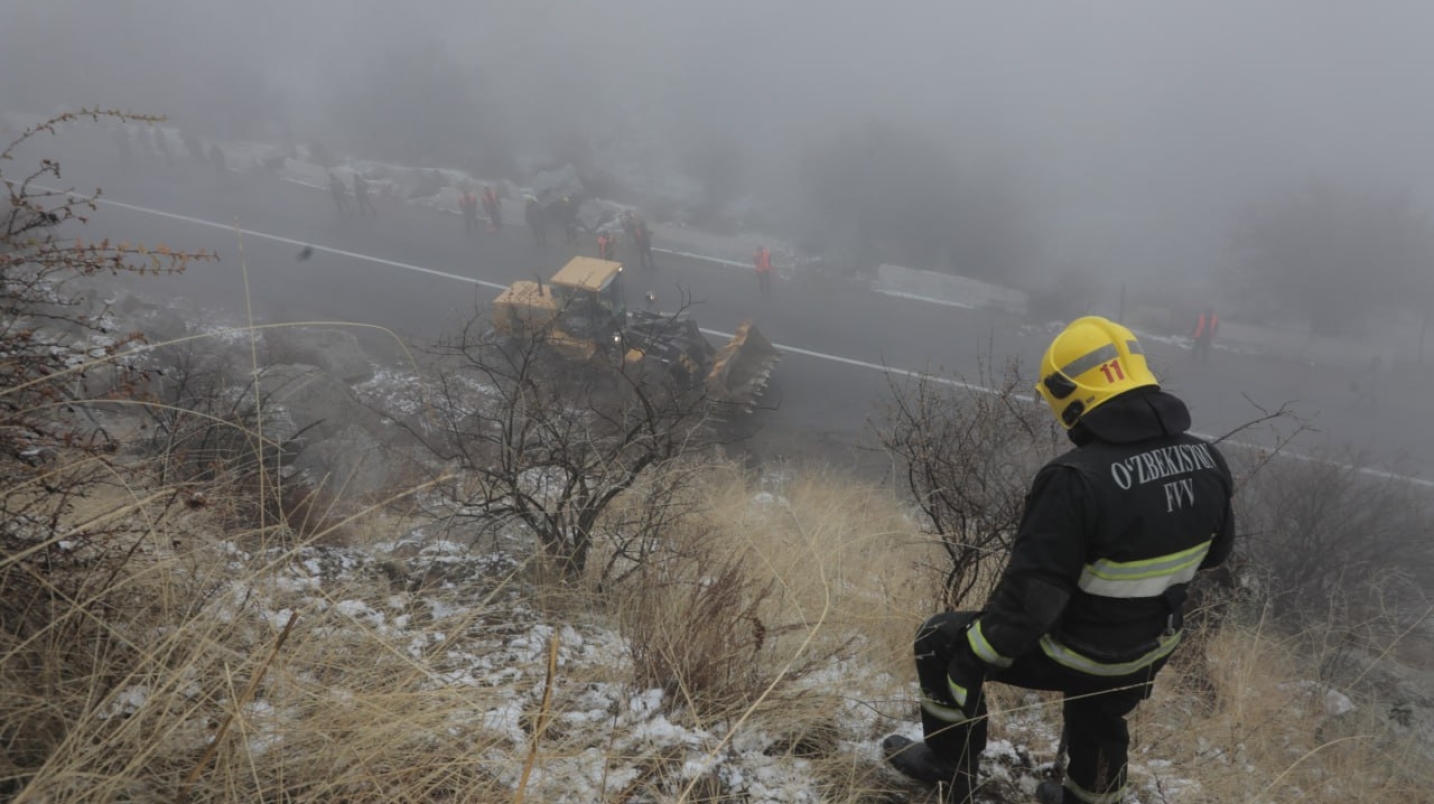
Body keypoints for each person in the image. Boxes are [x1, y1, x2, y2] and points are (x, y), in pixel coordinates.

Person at [883, 316, 1236, 804]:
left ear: (1071, 394)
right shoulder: (1207, 459)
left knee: (939, 640)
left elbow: (1033, 600)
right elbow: (1217, 553)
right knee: (1101, 710)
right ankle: (1088, 798)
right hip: (1151, 646)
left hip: (1081, 652)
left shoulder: (1074, 478)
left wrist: (977, 655)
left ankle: (948, 762)